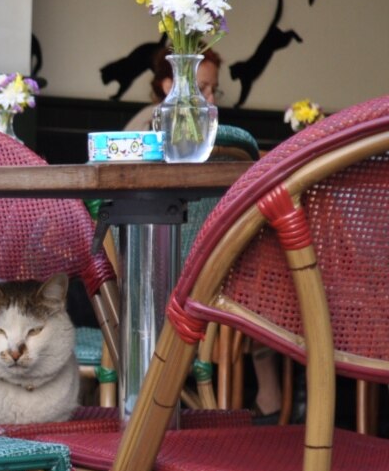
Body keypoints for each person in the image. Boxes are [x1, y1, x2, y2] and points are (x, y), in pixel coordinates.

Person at [122, 46, 285, 422]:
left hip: (194, 272)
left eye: (214, 90)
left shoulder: (214, 136)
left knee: (263, 263)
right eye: (203, 88)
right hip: (167, 269)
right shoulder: (153, 127)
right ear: (169, 84)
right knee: (264, 267)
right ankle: (268, 397)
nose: (210, 99)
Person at [122, 47, 223, 132]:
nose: (211, 101)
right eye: (200, 89)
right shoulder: (148, 127)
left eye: (213, 90)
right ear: (169, 87)